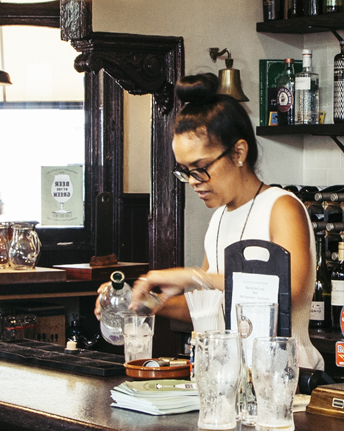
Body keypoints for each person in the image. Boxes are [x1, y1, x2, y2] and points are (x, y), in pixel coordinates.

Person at [131, 75, 322, 371]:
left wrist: (193, 276)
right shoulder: (220, 217)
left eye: (201, 168)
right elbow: (211, 306)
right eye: (185, 171)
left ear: (239, 152)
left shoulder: (281, 207)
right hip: (231, 379)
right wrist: (145, 304)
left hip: (286, 378)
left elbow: (288, 289)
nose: (193, 182)